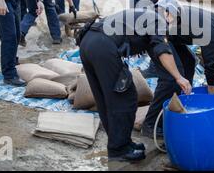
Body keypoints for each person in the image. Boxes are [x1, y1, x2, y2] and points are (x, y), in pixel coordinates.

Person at [77, 8, 191, 162]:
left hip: (88, 42)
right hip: (103, 46)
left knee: (107, 98)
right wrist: (179, 77)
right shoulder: (158, 21)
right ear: (168, 14)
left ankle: (122, 144)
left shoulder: (144, 15)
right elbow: (162, 49)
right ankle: (118, 150)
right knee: (125, 97)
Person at [140, 0, 214, 137]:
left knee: (189, 62)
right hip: (157, 31)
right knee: (171, 78)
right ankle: (150, 124)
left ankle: (179, 107)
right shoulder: (212, 35)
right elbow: (211, 73)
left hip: (173, 36)